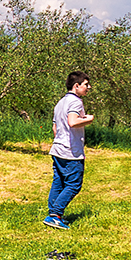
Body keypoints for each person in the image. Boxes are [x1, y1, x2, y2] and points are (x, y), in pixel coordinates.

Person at [45, 72, 93, 230]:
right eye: (86, 84)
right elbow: (72, 122)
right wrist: (88, 119)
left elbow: (55, 127)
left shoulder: (60, 102)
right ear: (76, 86)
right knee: (74, 184)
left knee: (58, 181)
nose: (89, 87)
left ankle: (53, 214)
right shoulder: (76, 102)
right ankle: (56, 214)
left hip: (58, 148)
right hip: (70, 152)